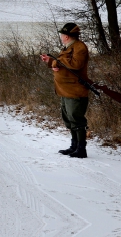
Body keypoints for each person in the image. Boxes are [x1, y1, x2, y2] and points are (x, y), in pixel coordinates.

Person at [40, 23, 90, 159]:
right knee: (68, 119)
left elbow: (75, 65)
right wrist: (51, 61)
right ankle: (74, 146)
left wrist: (56, 62)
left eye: (62, 34)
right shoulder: (69, 47)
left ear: (66, 36)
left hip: (75, 90)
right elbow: (63, 64)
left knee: (76, 118)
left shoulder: (80, 47)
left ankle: (81, 149)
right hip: (65, 90)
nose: (61, 37)